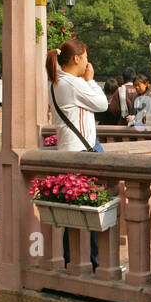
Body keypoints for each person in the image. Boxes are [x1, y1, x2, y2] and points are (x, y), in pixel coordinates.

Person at [48, 38, 108, 271]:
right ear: (77, 58)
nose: (87, 61)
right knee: (91, 211)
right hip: (81, 152)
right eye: (85, 56)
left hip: (68, 151)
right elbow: (102, 103)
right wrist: (91, 81)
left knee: (73, 215)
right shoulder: (72, 83)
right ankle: (94, 262)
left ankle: (71, 261)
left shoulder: (56, 82)